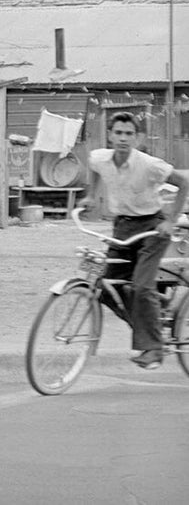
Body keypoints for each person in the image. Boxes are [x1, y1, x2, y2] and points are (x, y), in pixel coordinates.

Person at [83, 111, 189, 369]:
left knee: (141, 287)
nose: (123, 138)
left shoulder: (149, 164)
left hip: (152, 228)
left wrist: (170, 221)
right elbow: (93, 169)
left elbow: (183, 182)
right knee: (103, 287)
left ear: (137, 137)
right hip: (122, 227)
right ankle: (148, 321)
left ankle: (153, 349)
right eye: (118, 133)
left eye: (129, 134)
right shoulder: (101, 158)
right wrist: (90, 195)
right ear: (109, 135)